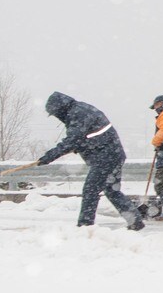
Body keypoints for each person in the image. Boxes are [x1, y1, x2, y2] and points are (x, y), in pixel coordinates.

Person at [37, 92, 144, 230]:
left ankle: (85, 226)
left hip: (106, 157)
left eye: (55, 113)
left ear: (60, 108)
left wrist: (50, 156)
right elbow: (86, 138)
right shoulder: (79, 110)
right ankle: (135, 220)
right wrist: (79, 147)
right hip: (112, 154)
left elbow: (73, 140)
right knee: (112, 190)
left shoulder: (77, 113)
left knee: (90, 190)